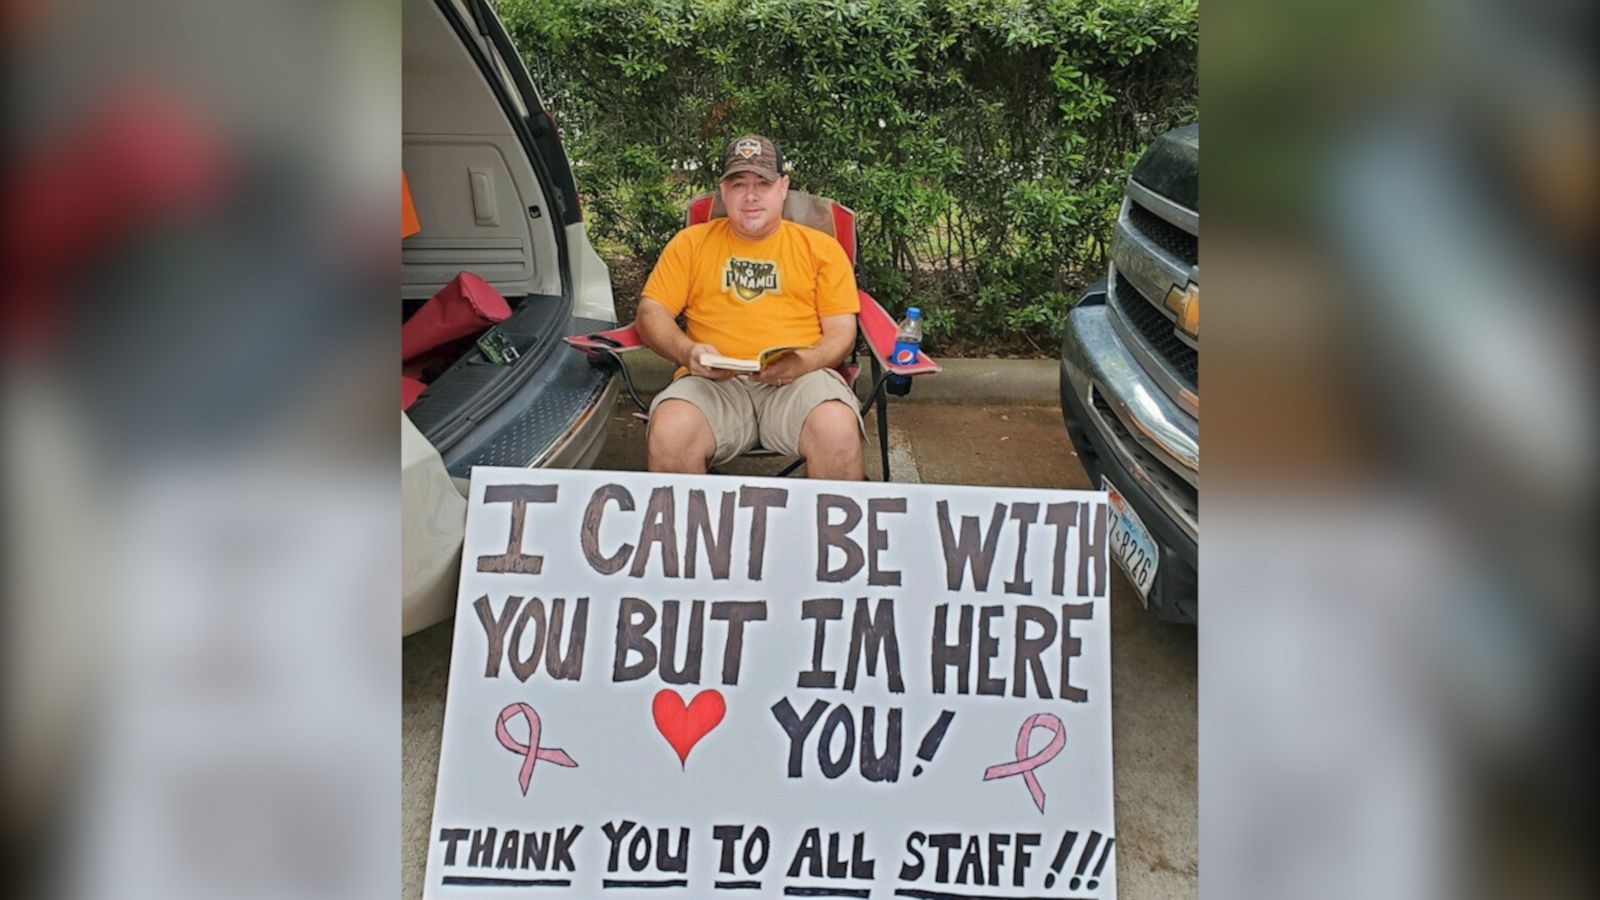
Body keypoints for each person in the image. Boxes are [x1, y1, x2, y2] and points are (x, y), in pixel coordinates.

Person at [637, 134, 864, 479]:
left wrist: (806, 361)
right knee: (671, 431)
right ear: (723, 190)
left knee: (837, 429)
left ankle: (820, 534)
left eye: (763, 183)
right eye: (739, 183)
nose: (751, 196)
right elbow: (650, 313)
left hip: (800, 381)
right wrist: (687, 352)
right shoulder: (691, 243)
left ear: (783, 187)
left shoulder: (821, 248)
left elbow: (842, 333)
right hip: (712, 383)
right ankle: (685, 534)